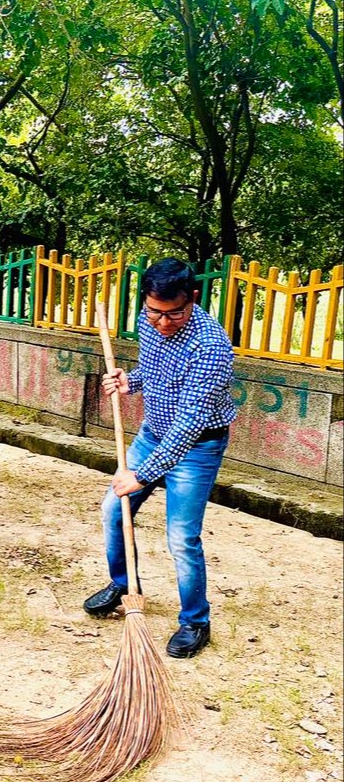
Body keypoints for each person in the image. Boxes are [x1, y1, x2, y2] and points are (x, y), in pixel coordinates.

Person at [83, 258, 236, 659]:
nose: (163, 323)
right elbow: (156, 371)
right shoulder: (147, 320)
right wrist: (128, 381)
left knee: (181, 537)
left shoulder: (212, 347)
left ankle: (195, 622)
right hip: (153, 435)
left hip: (197, 445)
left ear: (193, 299)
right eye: (155, 312)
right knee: (113, 511)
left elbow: (190, 422)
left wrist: (144, 474)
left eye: (174, 314)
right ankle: (124, 583)